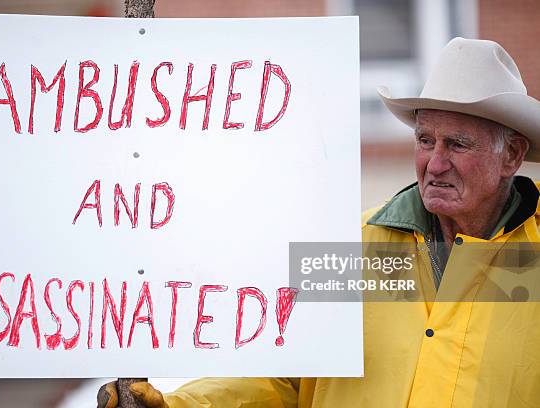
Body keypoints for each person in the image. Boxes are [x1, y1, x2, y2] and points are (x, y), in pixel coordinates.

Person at [98, 38, 540, 408]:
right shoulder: (349, 247)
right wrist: (179, 405)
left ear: (513, 155)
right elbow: (282, 378)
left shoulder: (535, 261)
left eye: (458, 144)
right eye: (425, 140)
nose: (435, 162)